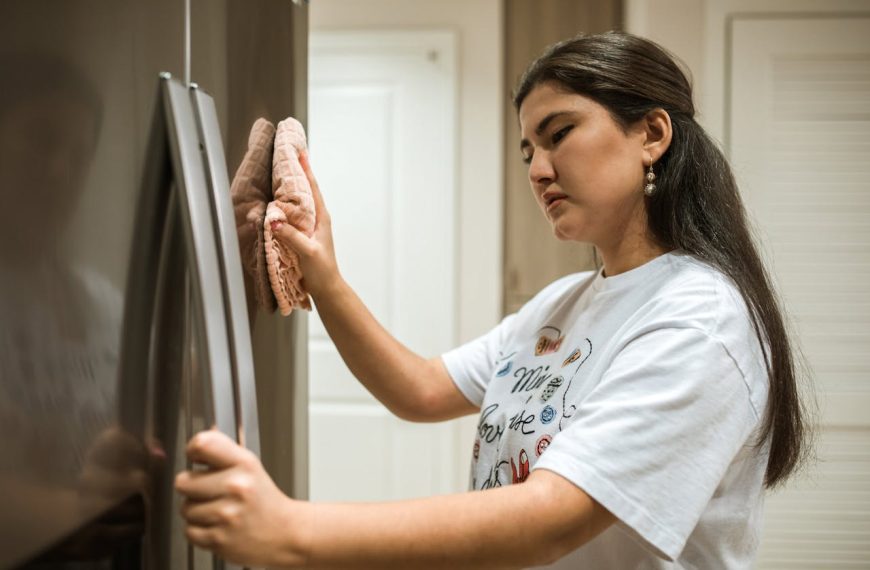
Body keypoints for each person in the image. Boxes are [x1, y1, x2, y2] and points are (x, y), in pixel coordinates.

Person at [174, 31, 809, 568]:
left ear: (652, 134)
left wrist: (290, 531)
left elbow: (555, 514)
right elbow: (420, 389)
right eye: (529, 149)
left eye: (559, 133)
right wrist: (326, 278)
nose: (537, 169)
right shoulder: (566, 302)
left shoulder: (702, 319)